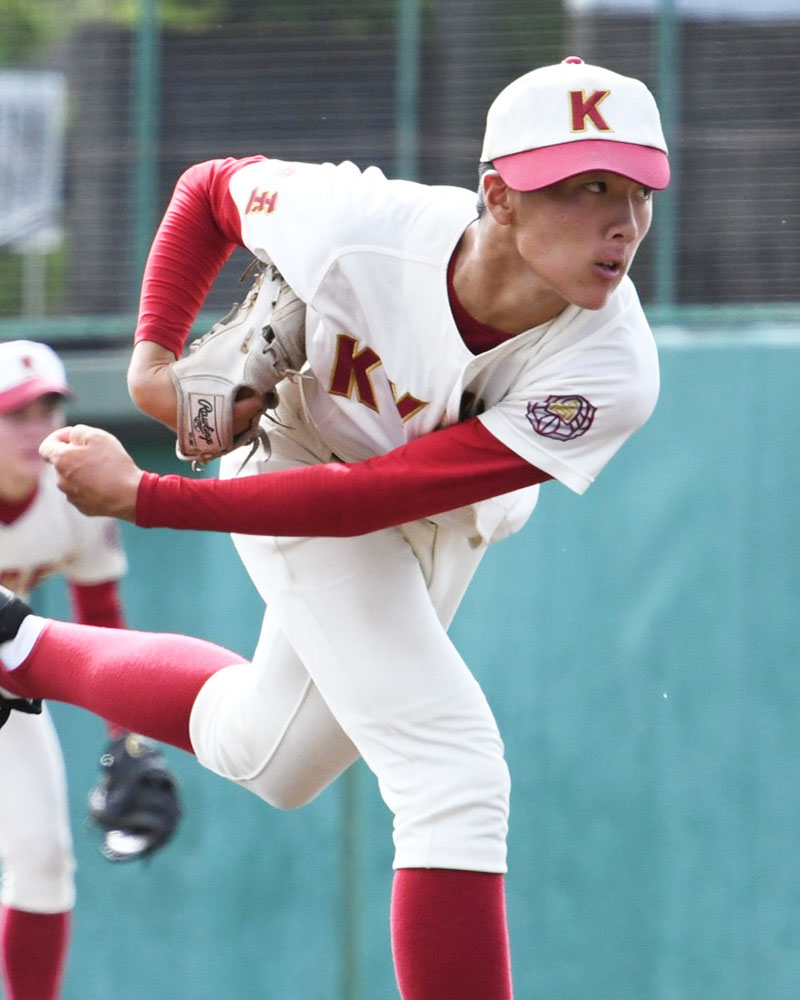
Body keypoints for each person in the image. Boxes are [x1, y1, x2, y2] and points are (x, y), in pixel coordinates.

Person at [0, 57, 669, 999]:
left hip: (426, 515)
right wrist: (157, 368)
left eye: (639, 188)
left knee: (268, 755)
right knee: (452, 771)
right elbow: (208, 191)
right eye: (586, 186)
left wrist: (149, 496)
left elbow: (378, 499)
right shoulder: (357, 227)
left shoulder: (612, 366)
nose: (624, 222)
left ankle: (19, 646)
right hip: (292, 452)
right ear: (500, 197)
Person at [0, 340, 182, 1000]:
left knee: (44, 862)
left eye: (48, 409)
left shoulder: (68, 494)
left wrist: (126, 734)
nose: (37, 429)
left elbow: (101, 616)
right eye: (17, 413)